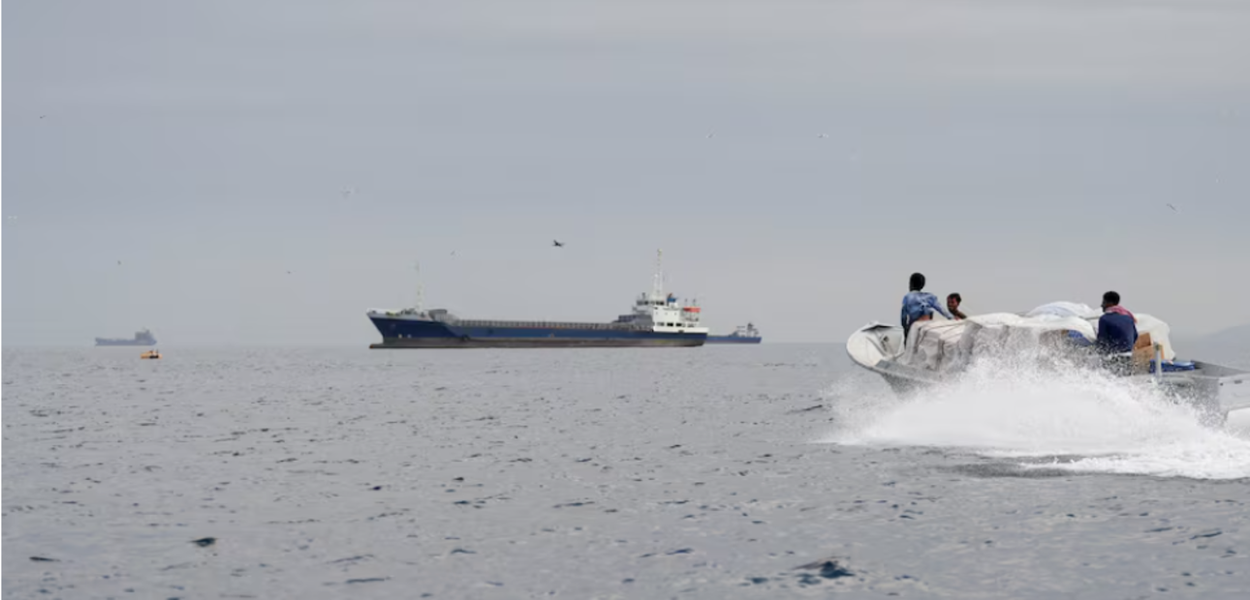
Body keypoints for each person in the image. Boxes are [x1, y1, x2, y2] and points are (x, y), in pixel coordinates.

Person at [1096, 291, 1138, 374]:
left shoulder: (1104, 319)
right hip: (1128, 358)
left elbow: (1102, 340)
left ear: (1109, 303)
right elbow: (1135, 336)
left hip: (1113, 359)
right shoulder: (1128, 317)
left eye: (1103, 302)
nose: (1101, 305)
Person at [901, 272, 952, 340]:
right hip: (927, 325)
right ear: (923, 285)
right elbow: (941, 309)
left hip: (914, 326)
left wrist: (904, 327)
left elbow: (903, 315)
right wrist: (952, 318)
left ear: (911, 284)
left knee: (907, 338)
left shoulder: (908, 297)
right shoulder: (929, 297)